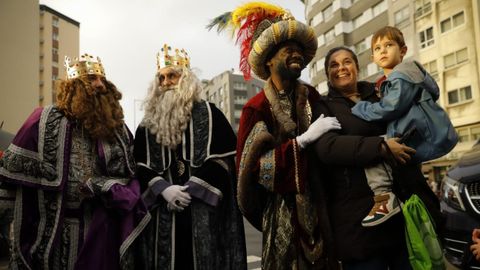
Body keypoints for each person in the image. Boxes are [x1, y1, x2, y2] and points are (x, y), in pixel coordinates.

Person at [209, 3, 341, 269]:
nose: (297, 55)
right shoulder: (255, 107)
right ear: (269, 59)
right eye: (288, 50)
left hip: (321, 208)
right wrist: (301, 143)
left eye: (299, 51)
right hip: (282, 214)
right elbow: (254, 169)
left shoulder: (312, 97)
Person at [0, 54, 150, 269]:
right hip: (56, 233)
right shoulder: (43, 121)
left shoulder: (118, 131)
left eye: (102, 79)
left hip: (102, 232)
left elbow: (131, 178)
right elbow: (10, 182)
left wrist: (102, 185)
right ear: (73, 87)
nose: (99, 85)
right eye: (91, 79)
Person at [312, 46, 443, 269]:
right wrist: (380, 146)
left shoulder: (382, 93)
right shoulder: (324, 107)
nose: (341, 68)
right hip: (359, 223)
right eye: (334, 65)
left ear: (357, 67)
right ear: (327, 75)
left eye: (347, 62)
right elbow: (327, 147)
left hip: (404, 212)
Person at [132, 44, 247, 270]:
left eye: (172, 76)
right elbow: (140, 166)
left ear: (186, 79)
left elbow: (223, 162)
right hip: (163, 215)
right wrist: (164, 189)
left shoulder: (210, 113)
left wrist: (190, 189)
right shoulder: (147, 125)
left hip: (203, 214)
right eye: (161, 78)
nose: (166, 83)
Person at [351, 26, 458, 226]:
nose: (382, 51)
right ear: (373, 57)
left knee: (373, 149)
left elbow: (391, 108)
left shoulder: (402, 76)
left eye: (389, 45)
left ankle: (383, 197)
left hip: (412, 134)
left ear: (403, 51)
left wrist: (361, 108)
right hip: (415, 133)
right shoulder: (395, 78)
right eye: (377, 48)